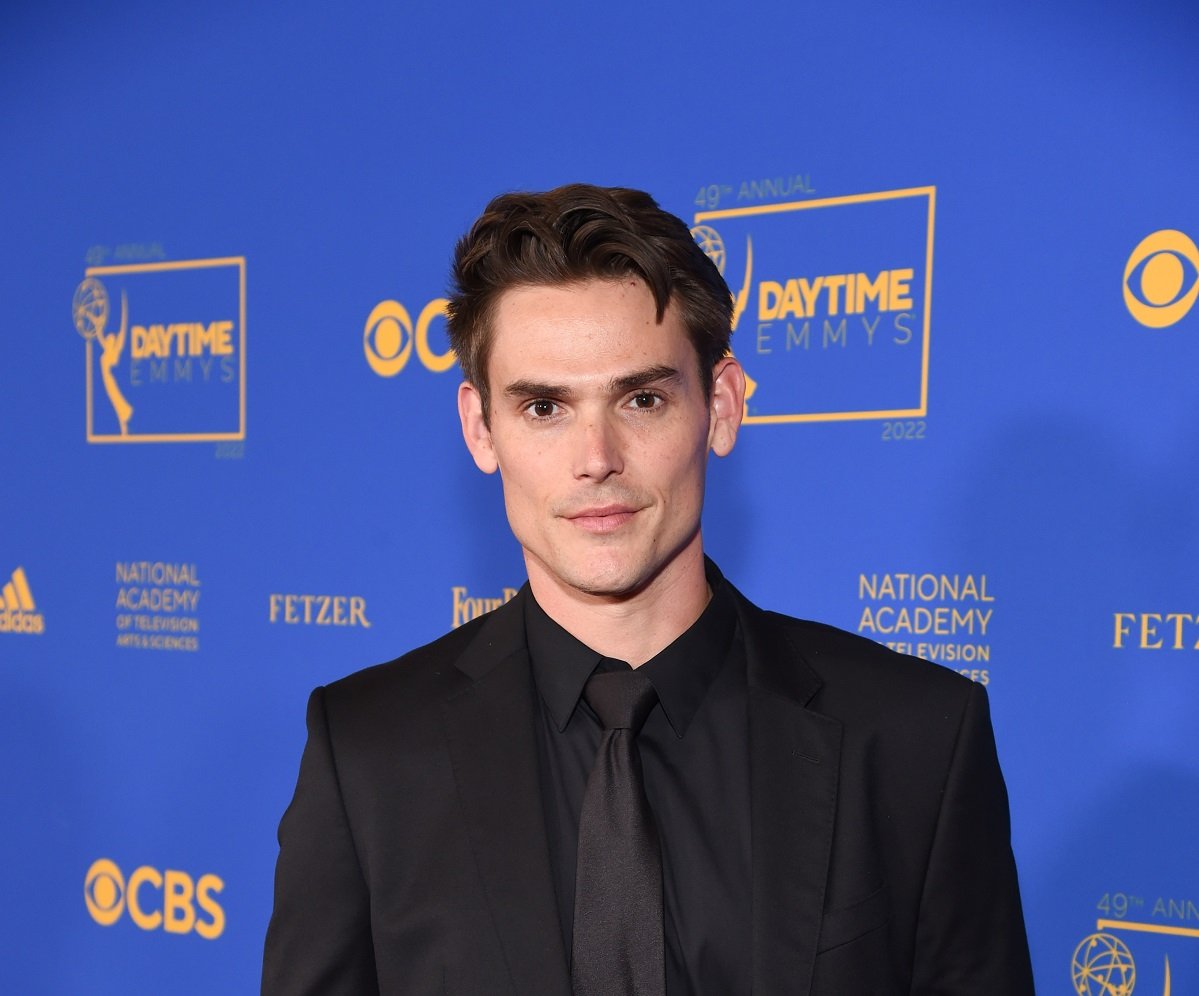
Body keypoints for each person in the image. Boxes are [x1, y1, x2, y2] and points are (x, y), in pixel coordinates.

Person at [262, 184, 1035, 995]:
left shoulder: (913, 738)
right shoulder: (370, 752)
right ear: (480, 429)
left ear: (722, 406)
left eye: (641, 398)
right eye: (543, 407)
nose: (596, 456)